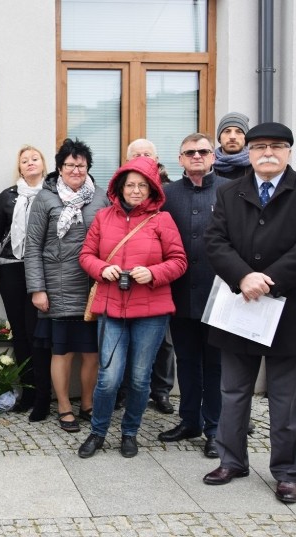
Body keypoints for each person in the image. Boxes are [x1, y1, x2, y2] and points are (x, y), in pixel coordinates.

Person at [202, 122, 296, 504]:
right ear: (249, 152)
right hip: (239, 307)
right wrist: (243, 276)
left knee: (286, 399)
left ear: (289, 151)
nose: (267, 153)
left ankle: (287, 473)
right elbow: (215, 241)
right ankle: (232, 459)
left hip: (289, 309)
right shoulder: (228, 192)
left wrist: (269, 279)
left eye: (276, 146)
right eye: (259, 147)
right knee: (233, 391)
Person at [77, 156, 187, 459]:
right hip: (112, 308)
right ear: (120, 187)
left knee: (140, 378)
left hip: (151, 312)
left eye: (142, 185)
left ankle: (129, 432)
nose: (136, 190)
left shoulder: (162, 220)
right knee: (109, 377)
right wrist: (102, 269)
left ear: (152, 189)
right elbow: (86, 255)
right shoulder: (103, 217)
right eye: (130, 185)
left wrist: (153, 273)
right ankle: (98, 432)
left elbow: (179, 261)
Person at [24, 139, 109, 432]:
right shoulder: (45, 199)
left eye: (81, 165)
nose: (75, 169)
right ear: (60, 167)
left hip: (92, 288)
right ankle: (62, 406)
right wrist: (37, 288)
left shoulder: (100, 197)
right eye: (70, 164)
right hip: (56, 287)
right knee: (61, 352)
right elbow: (32, 247)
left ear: (88, 168)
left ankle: (87, 403)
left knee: (91, 352)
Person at [159, 133, 228, 458]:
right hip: (181, 292)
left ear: (212, 156)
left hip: (220, 293)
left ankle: (215, 429)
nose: (197, 156)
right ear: (181, 158)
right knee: (186, 361)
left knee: (214, 365)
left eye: (203, 151)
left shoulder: (230, 190)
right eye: (190, 152)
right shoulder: (168, 193)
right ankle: (189, 420)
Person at [0, 145, 47, 420]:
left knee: (38, 334)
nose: (30, 163)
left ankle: (44, 394)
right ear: (19, 168)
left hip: (42, 270)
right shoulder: (8, 197)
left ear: (43, 164)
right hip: (11, 269)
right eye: (24, 161)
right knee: (20, 333)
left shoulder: (53, 194)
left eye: (34, 159)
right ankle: (27, 392)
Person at [121, 139, 176, 415]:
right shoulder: (121, 190)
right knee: (126, 340)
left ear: (157, 158)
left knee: (164, 341)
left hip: (160, 276)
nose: (142, 158)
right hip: (125, 281)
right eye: (137, 154)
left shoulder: (171, 190)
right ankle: (125, 390)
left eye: (147, 154)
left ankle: (162, 391)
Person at [212, 112, 252, 180]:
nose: (232, 137)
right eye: (227, 131)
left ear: (246, 138)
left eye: (239, 132)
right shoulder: (208, 166)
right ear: (219, 137)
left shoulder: (256, 167)